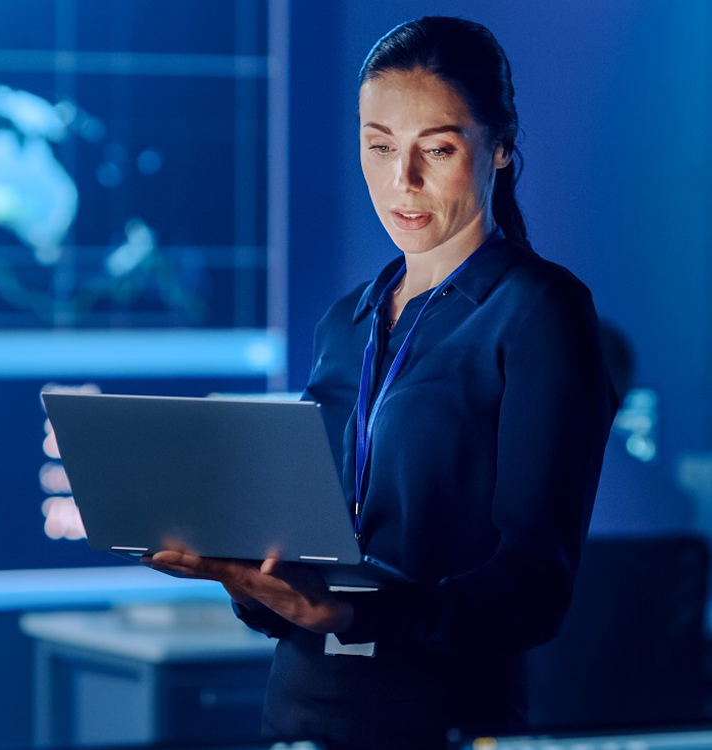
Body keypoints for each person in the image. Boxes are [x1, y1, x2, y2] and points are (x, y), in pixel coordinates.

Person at [146, 17, 617, 750]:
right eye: (379, 146)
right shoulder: (347, 322)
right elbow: (311, 550)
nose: (405, 181)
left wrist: (358, 614)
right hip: (302, 713)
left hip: (442, 721)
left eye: (437, 148)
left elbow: (534, 586)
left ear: (499, 147)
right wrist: (251, 580)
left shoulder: (540, 313)